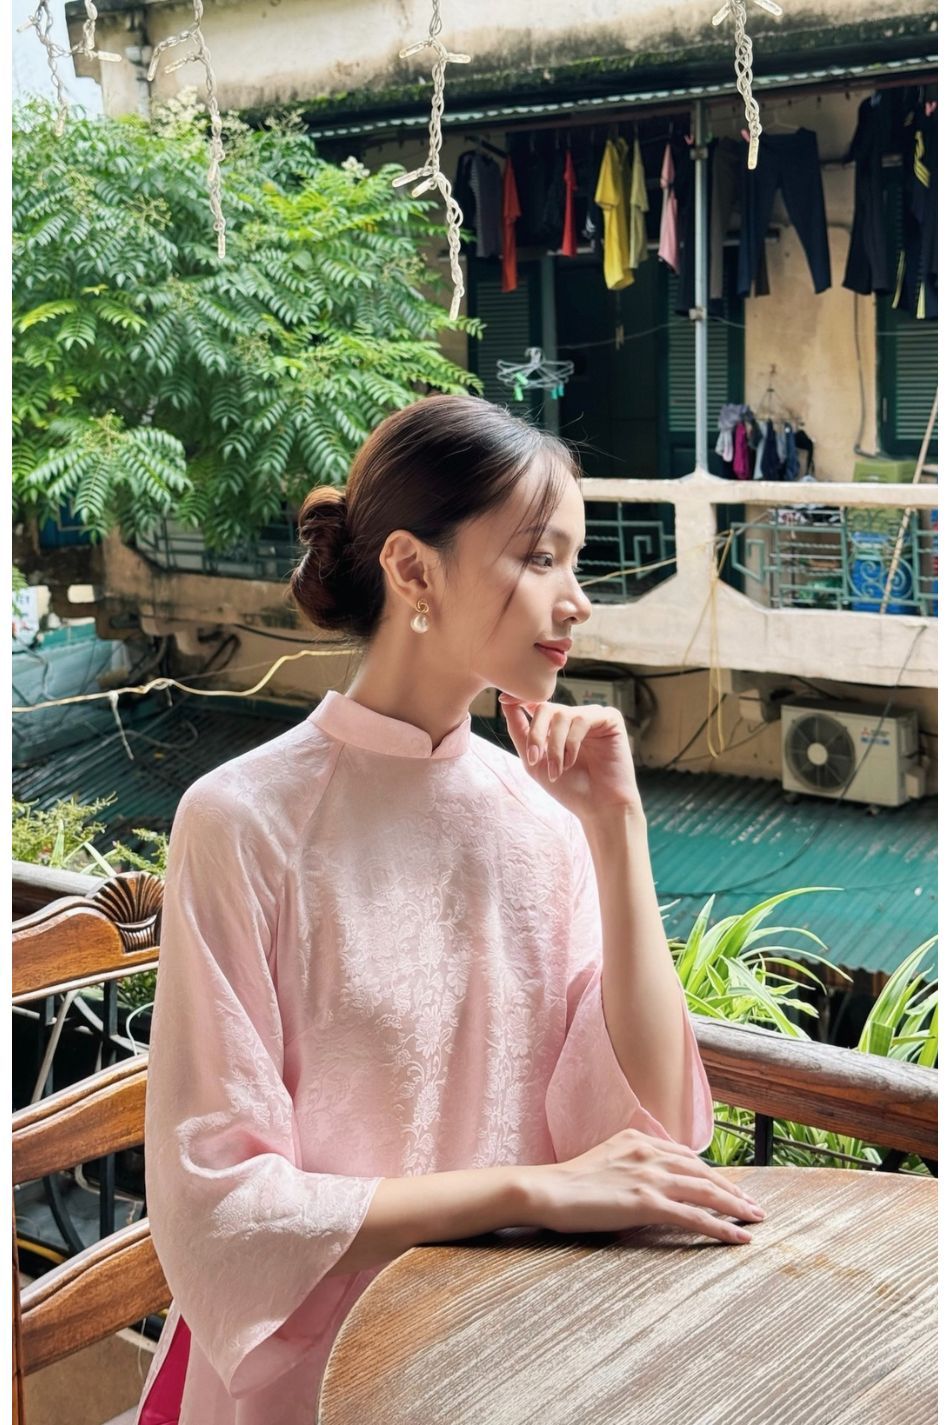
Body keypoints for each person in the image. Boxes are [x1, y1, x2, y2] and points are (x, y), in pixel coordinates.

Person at [135, 395, 765, 1425]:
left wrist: (616, 830)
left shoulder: (542, 817)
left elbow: (646, 1122)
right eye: (538, 558)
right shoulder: (243, 821)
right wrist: (528, 1190)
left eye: (574, 562)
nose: (576, 602)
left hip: (513, 1348)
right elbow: (222, 1201)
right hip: (320, 1368)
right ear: (412, 570)